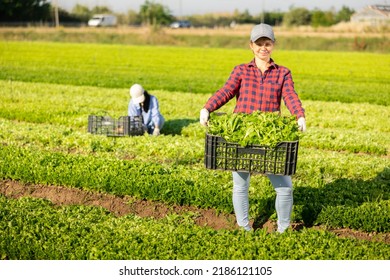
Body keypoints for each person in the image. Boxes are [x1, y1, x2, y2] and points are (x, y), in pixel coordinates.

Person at [199, 23, 306, 233]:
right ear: (251, 45)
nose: (263, 48)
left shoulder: (283, 72)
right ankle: (244, 227)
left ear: (273, 45)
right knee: (240, 185)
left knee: (284, 187)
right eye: (259, 44)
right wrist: (207, 108)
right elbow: (226, 91)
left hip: (270, 137)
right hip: (242, 135)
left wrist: (299, 115)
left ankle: (283, 229)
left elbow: (290, 96)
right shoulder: (241, 70)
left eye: (267, 43)